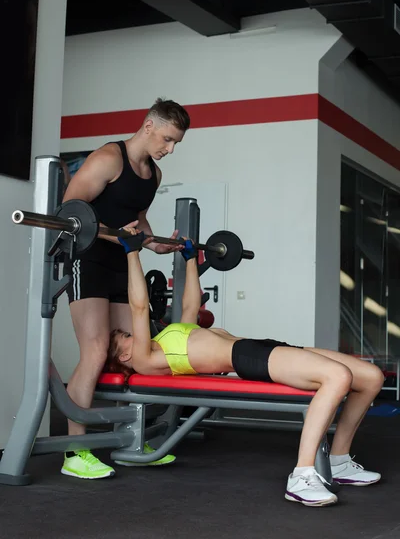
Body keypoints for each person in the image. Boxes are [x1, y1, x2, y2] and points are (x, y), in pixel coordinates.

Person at [106, 229, 385, 507]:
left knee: (372, 378)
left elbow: (191, 304)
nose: (132, 334)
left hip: (258, 345)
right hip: (245, 358)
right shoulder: (145, 360)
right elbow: (139, 308)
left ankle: (338, 461)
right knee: (337, 377)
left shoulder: (165, 339)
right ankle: (302, 474)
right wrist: (132, 253)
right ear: (125, 356)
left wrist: (191, 259)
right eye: (126, 337)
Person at [60, 98, 190, 480]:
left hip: (122, 260)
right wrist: (120, 238)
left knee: (137, 351)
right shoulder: (107, 159)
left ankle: (129, 437)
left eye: (175, 144)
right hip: (89, 259)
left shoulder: (154, 174)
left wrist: (155, 243)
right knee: (97, 351)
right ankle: (75, 450)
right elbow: (70, 212)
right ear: (149, 126)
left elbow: (140, 222)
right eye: (167, 139)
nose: (169, 149)